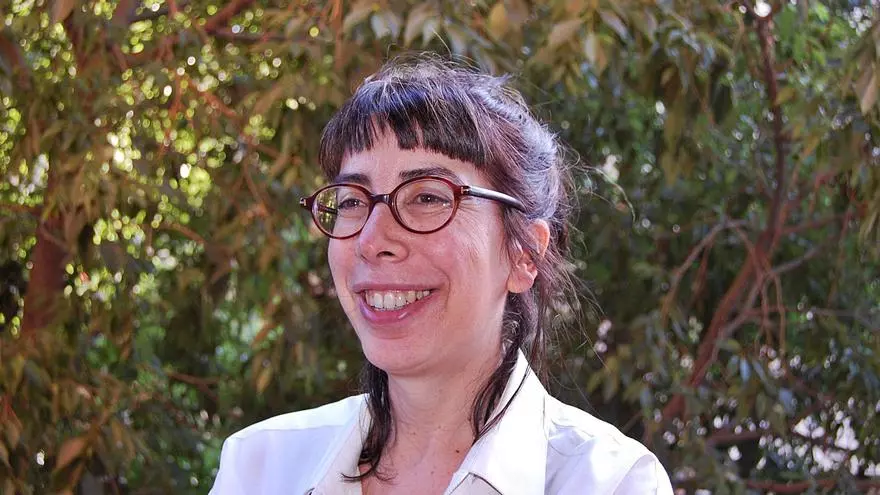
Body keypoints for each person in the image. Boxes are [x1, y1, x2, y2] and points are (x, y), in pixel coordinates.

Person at [210, 55, 674, 495]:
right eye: (351, 200)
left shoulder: (610, 482)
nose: (372, 239)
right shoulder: (260, 468)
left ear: (524, 254)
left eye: (428, 197)